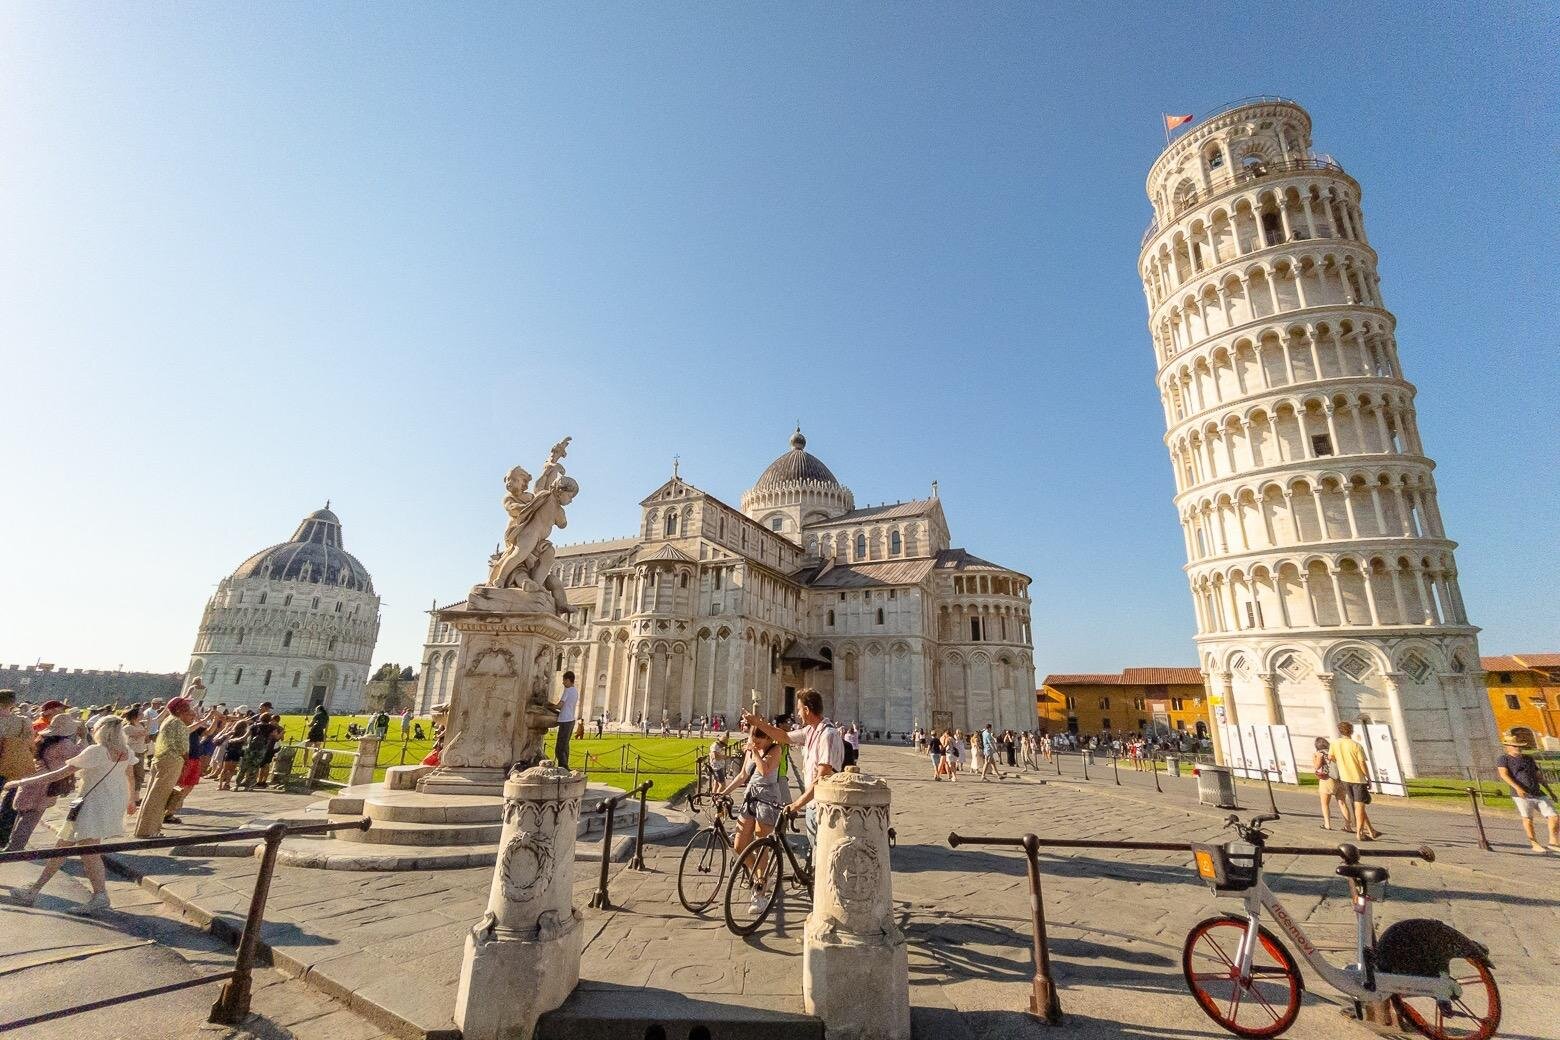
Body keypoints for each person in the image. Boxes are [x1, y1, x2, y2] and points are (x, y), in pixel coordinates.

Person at [5, 715, 136, 914]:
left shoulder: (97, 751)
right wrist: (132, 800)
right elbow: (130, 776)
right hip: (109, 804)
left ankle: (99, 896)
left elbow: (59, 774)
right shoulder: (126, 752)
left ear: (101, 731)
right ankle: (34, 889)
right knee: (65, 847)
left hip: (90, 804)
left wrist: (21, 782)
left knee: (86, 851)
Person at [742, 688, 843, 854]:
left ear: (807, 710)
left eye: (799, 709)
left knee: (823, 858)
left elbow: (822, 777)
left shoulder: (828, 735)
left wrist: (796, 805)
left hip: (824, 807)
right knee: (816, 854)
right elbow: (785, 737)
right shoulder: (811, 731)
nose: (797, 714)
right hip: (813, 805)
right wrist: (757, 723)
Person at [716, 726, 790, 911]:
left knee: (760, 844)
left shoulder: (775, 749)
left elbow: (765, 770)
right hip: (751, 796)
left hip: (768, 799)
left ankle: (760, 893)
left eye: (759, 740)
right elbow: (743, 776)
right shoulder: (752, 750)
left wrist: (755, 751)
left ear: (768, 738)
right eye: (753, 739)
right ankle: (760, 876)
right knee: (739, 845)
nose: (755, 742)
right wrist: (723, 793)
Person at [4, 712, 82, 852]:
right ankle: (14, 849)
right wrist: (84, 737)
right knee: (31, 817)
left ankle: (12, 844)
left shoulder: (42, 739)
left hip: (33, 776)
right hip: (44, 783)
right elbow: (80, 757)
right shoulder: (64, 744)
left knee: (22, 815)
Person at [135, 696, 194, 838]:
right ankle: (149, 831)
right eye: (187, 707)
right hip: (171, 761)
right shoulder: (178, 723)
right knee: (159, 797)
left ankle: (146, 829)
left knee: (152, 795)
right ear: (180, 710)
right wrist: (186, 763)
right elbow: (183, 748)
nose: (190, 710)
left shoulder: (169, 720)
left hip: (160, 760)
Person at [1495, 730, 1560, 853]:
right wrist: (1518, 788)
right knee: (1528, 818)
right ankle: (1534, 843)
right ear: (1508, 747)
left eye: (1519, 746)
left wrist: (1550, 791)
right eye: (1515, 746)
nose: (1518, 748)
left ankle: (1553, 842)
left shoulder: (1528, 759)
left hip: (1537, 791)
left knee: (1554, 816)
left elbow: (1538, 775)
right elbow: (1504, 775)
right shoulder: (1503, 759)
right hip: (1521, 794)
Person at [1330, 722, 1380, 841]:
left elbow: (1331, 757)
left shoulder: (1335, 744)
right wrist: (1368, 777)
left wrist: (1342, 762)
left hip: (1345, 778)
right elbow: (1362, 763)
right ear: (1351, 731)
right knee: (1359, 806)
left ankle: (1371, 830)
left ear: (1340, 731)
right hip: (1357, 779)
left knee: (1358, 806)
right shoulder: (1356, 746)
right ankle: (1360, 833)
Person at [1312, 737, 1347, 830]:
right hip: (1339, 779)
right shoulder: (1334, 752)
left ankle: (1327, 824)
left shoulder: (1320, 753)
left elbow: (1317, 766)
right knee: (1342, 802)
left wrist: (1315, 758)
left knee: (1325, 803)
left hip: (1327, 779)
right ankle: (1348, 825)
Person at [555, 671, 579, 769]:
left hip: (565, 720)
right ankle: (565, 766)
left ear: (568, 680)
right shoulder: (575, 691)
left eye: (564, 680)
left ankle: (563, 767)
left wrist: (549, 705)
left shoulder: (567, 690)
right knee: (565, 745)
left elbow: (559, 706)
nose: (563, 683)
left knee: (559, 747)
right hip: (571, 720)